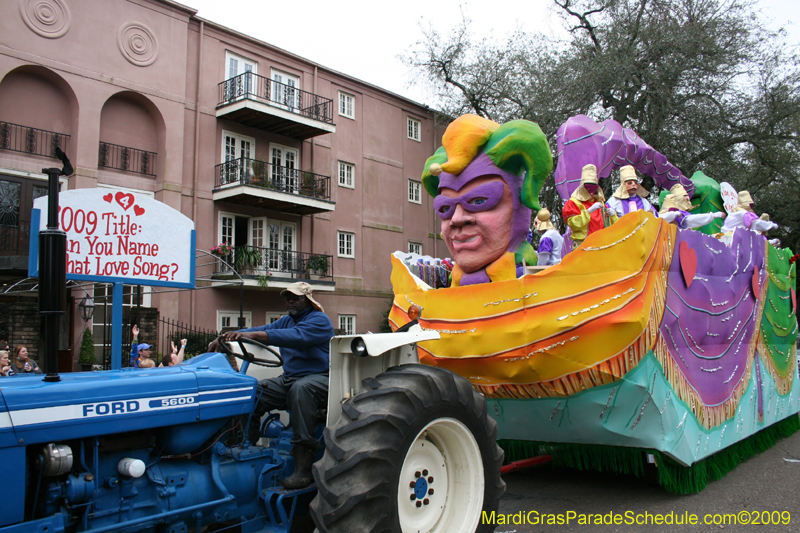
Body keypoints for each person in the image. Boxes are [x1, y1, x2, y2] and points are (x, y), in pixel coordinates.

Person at [208, 281, 334, 489]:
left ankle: (304, 468)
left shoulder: (319, 320)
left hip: (320, 378)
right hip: (291, 378)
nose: (290, 301)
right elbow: (261, 330)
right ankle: (243, 447)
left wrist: (252, 335)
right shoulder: (286, 321)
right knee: (252, 391)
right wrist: (229, 336)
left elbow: (294, 337)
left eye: (295, 297)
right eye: (287, 297)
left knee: (301, 390)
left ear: (308, 300)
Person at [420, 114, 553, 286]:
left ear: (519, 206)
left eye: (479, 201)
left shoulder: (533, 286)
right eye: (445, 208)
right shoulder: (447, 291)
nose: (457, 219)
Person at [562, 164, 618, 248]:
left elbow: (610, 226)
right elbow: (573, 223)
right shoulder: (573, 202)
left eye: (594, 190)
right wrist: (588, 211)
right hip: (583, 245)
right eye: (588, 189)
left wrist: (613, 216)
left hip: (601, 244)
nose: (591, 193)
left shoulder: (600, 203)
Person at [658, 184, 725, 229]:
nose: (689, 203)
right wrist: (714, 215)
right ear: (679, 199)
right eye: (686, 200)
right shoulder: (674, 212)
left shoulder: (676, 213)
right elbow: (691, 220)